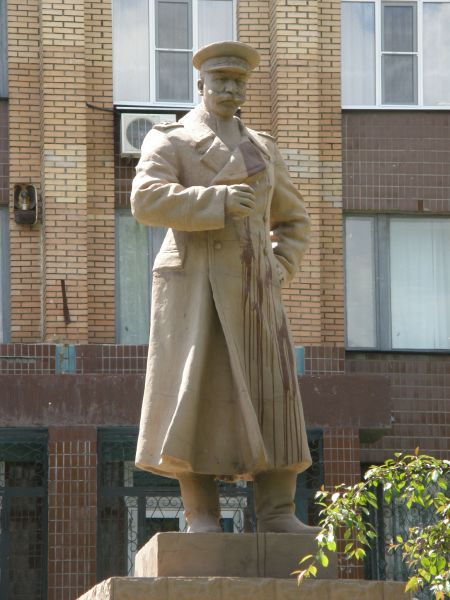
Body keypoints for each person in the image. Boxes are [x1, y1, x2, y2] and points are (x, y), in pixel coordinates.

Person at [131, 41, 313, 534]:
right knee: (199, 394)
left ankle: (277, 512)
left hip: (254, 288)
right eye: (221, 81)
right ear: (201, 85)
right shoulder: (170, 139)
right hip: (197, 286)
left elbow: (293, 220)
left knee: (272, 392)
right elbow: (145, 201)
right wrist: (216, 200)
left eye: (238, 81)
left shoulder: (263, 147)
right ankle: (201, 515)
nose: (230, 88)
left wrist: (279, 268)